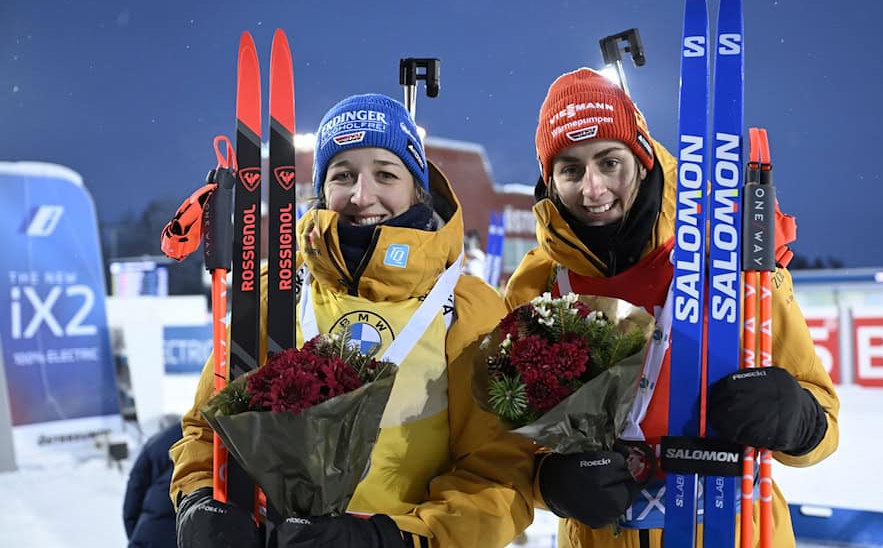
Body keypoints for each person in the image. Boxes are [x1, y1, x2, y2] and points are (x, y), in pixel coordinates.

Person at [169, 94, 536, 547]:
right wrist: (201, 501)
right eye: (343, 175)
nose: (362, 196)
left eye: (385, 173)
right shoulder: (275, 291)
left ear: (416, 187)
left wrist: (389, 540)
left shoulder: (469, 307)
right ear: (321, 189)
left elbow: (501, 473)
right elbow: (208, 433)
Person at [504, 68, 840, 547]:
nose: (593, 188)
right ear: (550, 182)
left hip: (735, 530)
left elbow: (824, 416)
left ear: (641, 160)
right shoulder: (539, 285)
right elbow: (512, 439)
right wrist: (550, 482)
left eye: (609, 162)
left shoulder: (725, 255)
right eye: (571, 169)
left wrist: (798, 419)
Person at [123, 419, 183, 548]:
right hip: (194, 532)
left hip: (151, 531)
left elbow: (135, 488)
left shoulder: (160, 440)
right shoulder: (222, 434)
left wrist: (135, 531)